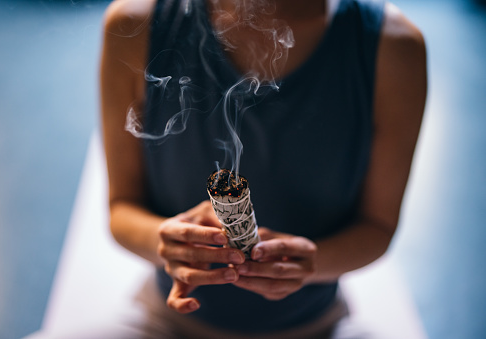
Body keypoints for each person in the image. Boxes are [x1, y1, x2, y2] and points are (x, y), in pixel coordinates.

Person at [100, 0, 427, 337]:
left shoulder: (393, 46)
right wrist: (168, 241)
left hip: (315, 326)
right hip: (167, 320)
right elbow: (121, 207)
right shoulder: (134, 25)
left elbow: (378, 226)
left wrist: (310, 263)